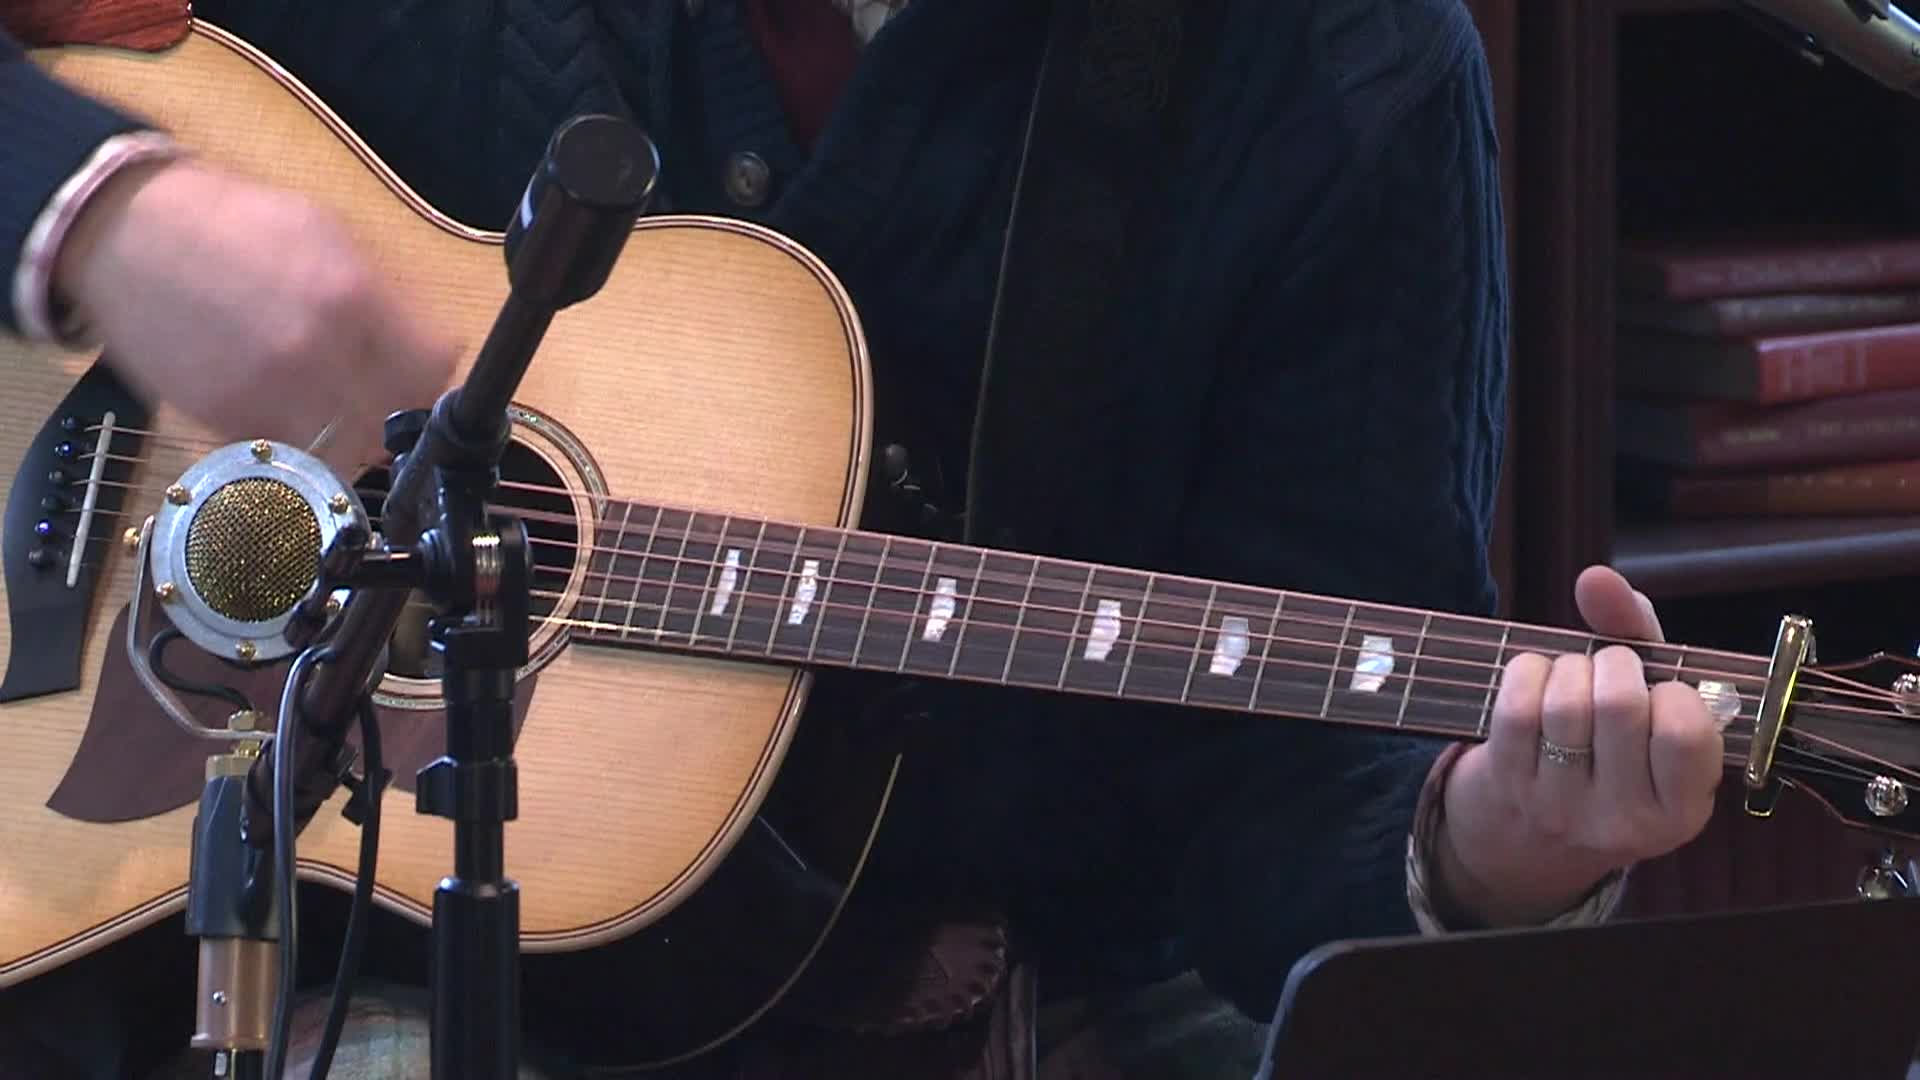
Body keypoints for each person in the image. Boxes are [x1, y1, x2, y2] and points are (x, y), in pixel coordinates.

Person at [0, 0, 1725, 1075]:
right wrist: (101, 214)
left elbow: (1294, 790)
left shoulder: (1336, 58)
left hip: (1036, 956)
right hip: (372, 937)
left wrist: (1475, 847)